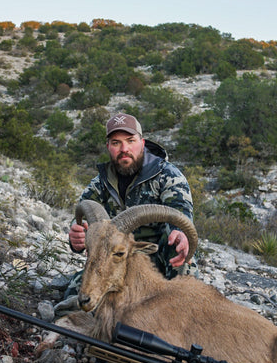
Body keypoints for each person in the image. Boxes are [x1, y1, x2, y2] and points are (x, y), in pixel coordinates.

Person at [64, 112, 197, 298]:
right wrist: (76, 236)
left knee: (178, 250)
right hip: (116, 260)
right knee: (73, 293)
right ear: (108, 147)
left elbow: (180, 209)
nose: (124, 148)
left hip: (157, 257)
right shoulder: (99, 183)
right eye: (116, 143)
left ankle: (182, 306)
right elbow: (81, 221)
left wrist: (179, 232)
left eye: (130, 140)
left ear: (142, 143)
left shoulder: (168, 175)